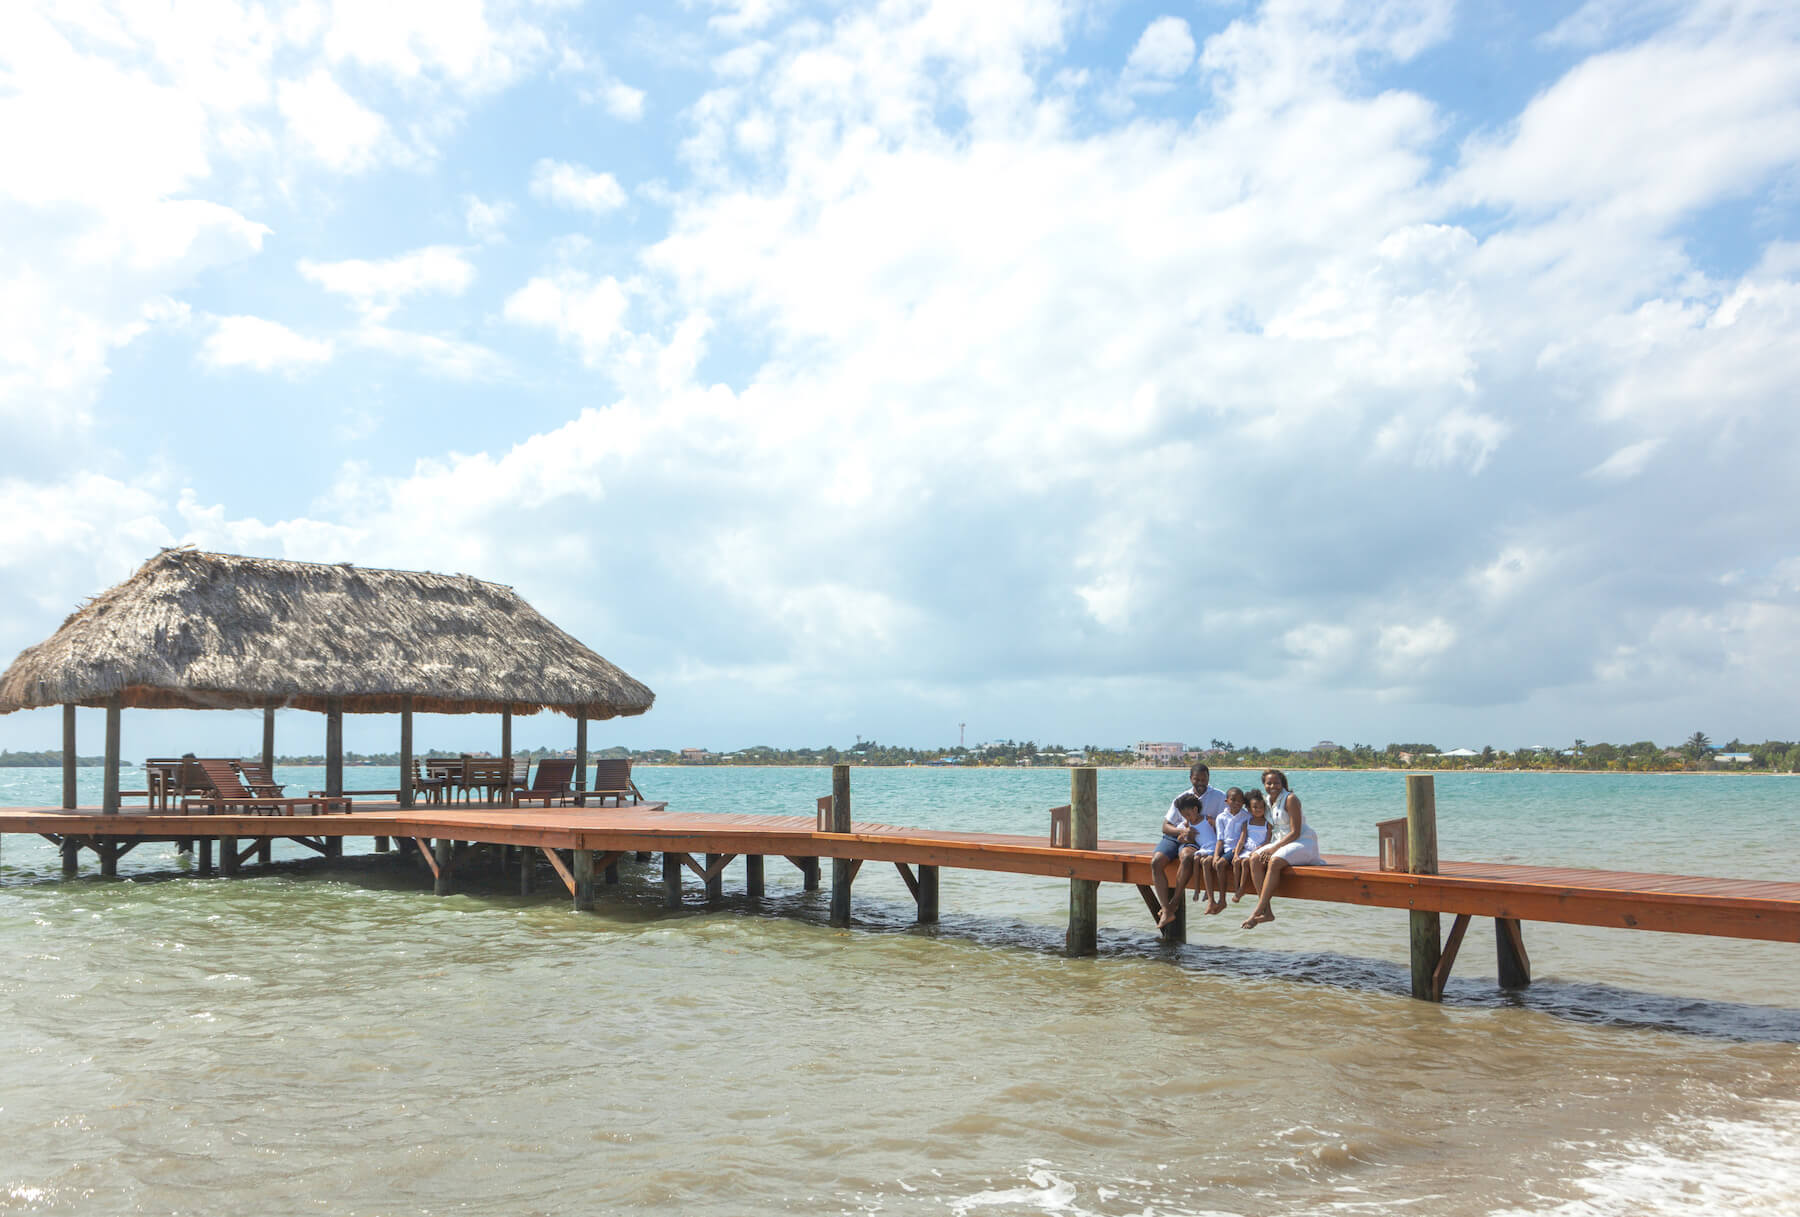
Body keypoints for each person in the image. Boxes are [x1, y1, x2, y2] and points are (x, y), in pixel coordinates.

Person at [1241, 768, 1320, 929]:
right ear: (1264, 784)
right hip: (1279, 840)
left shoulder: (1290, 799)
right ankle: (1267, 912)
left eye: (1276, 783)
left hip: (1301, 841)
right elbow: (1248, 809)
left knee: (1275, 861)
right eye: (1269, 783)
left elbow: (1295, 831)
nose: (1273, 786)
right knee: (1254, 858)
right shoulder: (1267, 800)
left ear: (1282, 783)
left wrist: (1272, 849)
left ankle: (1256, 911)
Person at [1152, 792, 1203, 927]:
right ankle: (1166, 909)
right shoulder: (1181, 798)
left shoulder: (1218, 797)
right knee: (1156, 861)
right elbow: (1165, 826)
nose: (1200, 782)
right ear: (1191, 778)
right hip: (1175, 836)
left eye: (1203, 779)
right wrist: (1181, 832)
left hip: (1194, 838)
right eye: (1196, 779)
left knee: (1186, 857)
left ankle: (1174, 902)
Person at [1203, 787, 1247, 914]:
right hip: (1224, 847)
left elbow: (1244, 839)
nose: (1236, 803)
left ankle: (1222, 900)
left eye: (1239, 801)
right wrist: (1216, 854)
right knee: (1207, 862)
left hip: (1237, 848)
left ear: (1243, 802)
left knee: (1220, 864)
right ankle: (1211, 900)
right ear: (1226, 801)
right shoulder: (1221, 817)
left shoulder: (1245, 816)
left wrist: (1221, 858)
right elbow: (1220, 839)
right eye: (1233, 800)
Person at [1230, 788, 1272, 902]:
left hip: (1258, 850)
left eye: (1261, 807)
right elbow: (1242, 840)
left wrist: (1259, 849)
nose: (1258, 810)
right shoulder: (1246, 823)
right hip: (1247, 850)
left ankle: (1242, 888)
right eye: (1255, 807)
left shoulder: (1267, 824)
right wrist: (1236, 854)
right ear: (1249, 808)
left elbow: (1268, 841)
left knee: (1245, 862)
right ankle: (1236, 888)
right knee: (1237, 862)